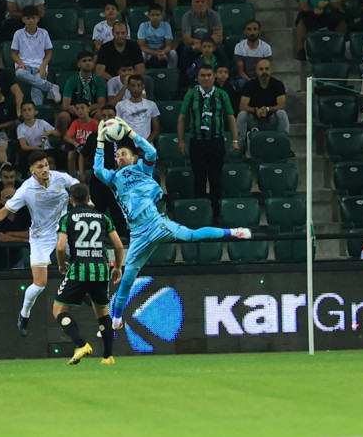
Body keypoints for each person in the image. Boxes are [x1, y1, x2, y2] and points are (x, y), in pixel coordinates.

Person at [93, 116, 250, 329]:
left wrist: (130, 133)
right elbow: (97, 170)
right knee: (128, 277)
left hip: (156, 223)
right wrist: (101, 142)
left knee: (190, 235)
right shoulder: (113, 178)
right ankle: (117, 318)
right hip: (138, 233)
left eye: (124, 154)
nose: (120, 158)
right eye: (118, 155)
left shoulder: (142, 169)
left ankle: (233, 231)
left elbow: (151, 153)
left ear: (132, 158)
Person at [0, 150, 79, 337]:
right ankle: (24, 313)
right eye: (40, 166)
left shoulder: (61, 178)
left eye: (46, 165)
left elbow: (79, 188)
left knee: (83, 262)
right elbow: (5, 210)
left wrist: (87, 201)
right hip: (40, 237)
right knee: (40, 284)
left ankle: (81, 290)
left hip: (63, 231)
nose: (45, 169)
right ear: (32, 170)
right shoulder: (26, 189)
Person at [54, 183, 124, 365]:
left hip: (78, 270)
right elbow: (118, 245)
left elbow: (60, 247)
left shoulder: (67, 218)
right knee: (103, 314)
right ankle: (108, 357)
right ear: (88, 197)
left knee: (59, 311)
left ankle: (81, 344)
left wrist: (62, 265)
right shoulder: (102, 217)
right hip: (100, 271)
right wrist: (118, 267)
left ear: (71, 200)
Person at [177, 65, 239, 217]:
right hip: (197, 142)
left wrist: (235, 139)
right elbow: (182, 118)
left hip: (216, 142)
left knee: (216, 179)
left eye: (208, 75)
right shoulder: (191, 95)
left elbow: (230, 117)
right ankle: (200, 214)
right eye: (202, 75)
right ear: (198, 78)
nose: (206, 78)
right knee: (199, 179)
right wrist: (181, 141)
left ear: (214, 77)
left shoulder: (222, 94)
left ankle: (216, 215)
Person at [78, 105, 130, 237]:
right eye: (104, 116)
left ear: (116, 118)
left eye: (110, 116)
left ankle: (123, 240)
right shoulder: (95, 137)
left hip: (119, 182)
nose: (107, 119)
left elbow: (133, 156)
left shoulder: (124, 136)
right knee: (96, 212)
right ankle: (96, 239)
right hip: (99, 181)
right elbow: (82, 155)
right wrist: (82, 173)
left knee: (118, 212)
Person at [10, 5, 62, 106]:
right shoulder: (18, 34)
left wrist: (43, 67)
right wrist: (20, 63)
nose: (31, 21)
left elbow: (49, 53)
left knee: (36, 91)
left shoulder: (44, 33)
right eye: (28, 18)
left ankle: (37, 113)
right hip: (24, 65)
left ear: (38, 19)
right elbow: (13, 53)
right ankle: (50, 87)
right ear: (23, 19)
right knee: (19, 73)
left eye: (33, 18)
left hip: (40, 66)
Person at [236, 60, 289, 142]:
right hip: (254, 120)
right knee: (242, 114)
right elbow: (242, 106)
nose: (264, 71)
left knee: (282, 113)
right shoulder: (249, 85)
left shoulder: (278, 84)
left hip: (271, 120)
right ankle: (240, 144)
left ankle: (284, 143)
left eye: (266, 69)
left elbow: (282, 105)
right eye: (261, 69)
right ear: (257, 71)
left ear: (271, 70)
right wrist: (256, 110)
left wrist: (268, 109)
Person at [56, 50, 107, 137]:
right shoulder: (72, 80)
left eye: (90, 60)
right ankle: (65, 142)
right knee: (63, 116)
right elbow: (65, 104)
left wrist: (87, 109)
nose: (87, 63)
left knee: (100, 114)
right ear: (78, 64)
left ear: (93, 64)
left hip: (91, 111)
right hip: (75, 111)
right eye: (84, 61)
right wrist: (77, 110)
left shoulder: (99, 81)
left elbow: (101, 103)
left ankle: (95, 141)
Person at [178, 0, 224, 73]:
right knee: (186, 49)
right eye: (197, 2)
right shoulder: (187, 16)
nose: (200, 4)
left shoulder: (214, 15)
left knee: (220, 49)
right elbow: (186, 39)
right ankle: (186, 78)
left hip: (209, 45)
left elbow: (219, 39)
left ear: (208, 3)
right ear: (192, 4)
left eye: (203, 1)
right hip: (196, 45)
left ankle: (222, 75)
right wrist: (206, 44)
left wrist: (204, 45)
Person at [17, 102, 60, 174]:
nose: (27, 112)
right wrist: (34, 148)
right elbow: (24, 146)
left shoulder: (42, 122)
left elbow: (58, 133)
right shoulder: (20, 127)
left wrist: (48, 132)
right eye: (24, 110)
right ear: (21, 113)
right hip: (32, 150)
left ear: (35, 111)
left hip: (47, 150)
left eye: (29, 109)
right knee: (22, 155)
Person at [115, 75, 160, 143]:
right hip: (128, 146)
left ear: (143, 87)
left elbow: (156, 129)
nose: (136, 88)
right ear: (128, 88)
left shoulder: (151, 105)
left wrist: (146, 143)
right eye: (133, 86)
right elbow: (118, 127)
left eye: (139, 85)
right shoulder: (120, 105)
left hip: (146, 146)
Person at [63, 98, 99, 182]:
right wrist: (75, 143)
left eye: (82, 108)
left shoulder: (95, 123)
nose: (80, 111)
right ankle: (71, 179)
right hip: (79, 148)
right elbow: (67, 136)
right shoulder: (76, 122)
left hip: (90, 150)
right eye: (77, 109)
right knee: (71, 154)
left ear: (88, 109)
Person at [233, 20, 272, 89]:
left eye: (255, 29)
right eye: (249, 29)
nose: (252, 32)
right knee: (241, 83)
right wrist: (251, 82)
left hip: (261, 78)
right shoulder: (239, 47)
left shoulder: (266, 47)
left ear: (259, 31)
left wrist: (258, 81)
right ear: (244, 31)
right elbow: (241, 72)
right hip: (245, 79)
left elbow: (266, 69)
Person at [137, 4, 177, 69]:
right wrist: (154, 53)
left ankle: (172, 71)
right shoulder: (143, 26)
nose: (155, 17)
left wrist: (162, 52)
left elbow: (169, 45)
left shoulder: (166, 25)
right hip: (148, 52)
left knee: (173, 53)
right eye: (152, 15)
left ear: (161, 16)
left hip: (162, 52)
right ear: (149, 16)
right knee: (141, 54)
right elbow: (142, 46)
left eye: (157, 15)